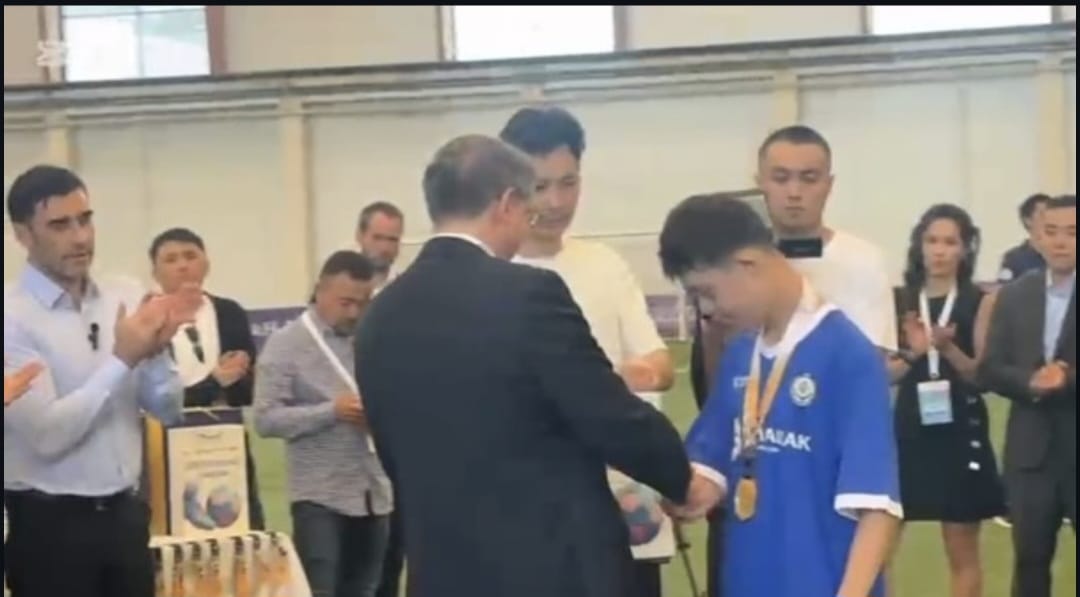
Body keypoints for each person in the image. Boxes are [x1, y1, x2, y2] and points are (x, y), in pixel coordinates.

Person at [354, 135, 698, 597]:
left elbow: (390, 450)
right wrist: (680, 477)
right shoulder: (530, 293)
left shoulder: (379, 315)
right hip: (547, 569)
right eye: (529, 211)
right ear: (508, 204)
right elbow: (607, 413)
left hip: (441, 569)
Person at [659, 194, 902, 597]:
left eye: (707, 292)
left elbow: (877, 507)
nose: (706, 310)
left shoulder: (848, 355)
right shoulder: (741, 353)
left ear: (747, 264)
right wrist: (694, 492)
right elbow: (714, 455)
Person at [501, 106, 676, 597]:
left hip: (621, 503)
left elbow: (661, 365)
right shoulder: (491, 274)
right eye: (540, 186)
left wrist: (610, 384)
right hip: (529, 512)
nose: (556, 202)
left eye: (569, 183)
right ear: (510, 186)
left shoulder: (604, 264)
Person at [3, 164, 194, 597]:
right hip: (49, 531)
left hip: (126, 520)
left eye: (85, 220)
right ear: (23, 234)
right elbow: (48, 435)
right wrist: (123, 360)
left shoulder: (123, 295)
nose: (80, 238)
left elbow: (168, 411)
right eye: (60, 225)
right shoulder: (11, 317)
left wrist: (157, 354)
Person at [254, 250, 391, 597]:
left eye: (362, 303)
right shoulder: (285, 344)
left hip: (373, 491)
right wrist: (332, 411)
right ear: (320, 291)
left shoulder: (373, 340)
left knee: (366, 589)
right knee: (320, 590)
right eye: (346, 303)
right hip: (319, 496)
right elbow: (266, 419)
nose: (354, 312)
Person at [890, 204, 1004, 597]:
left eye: (950, 242)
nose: (939, 251)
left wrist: (948, 348)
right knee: (879, 544)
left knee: (962, 552)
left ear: (965, 248)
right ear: (919, 245)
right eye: (932, 241)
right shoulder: (899, 299)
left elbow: (982, 376)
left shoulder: (980, 300)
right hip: (909, 428)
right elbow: (884, 374)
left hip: (960, 428)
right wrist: (916, 352)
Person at [979, 195, 1076, 597]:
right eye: (1051, 232)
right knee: (1030, 562)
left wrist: (1067, 377)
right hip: (1030, 455)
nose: (1060, 242)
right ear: (1036, 237)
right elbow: (990, 369)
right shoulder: (1015, 295)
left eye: (1072, 233)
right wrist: (1030, 382)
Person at [149, 227, 266, 530]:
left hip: (227, 443)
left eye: (190, 256)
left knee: (241, 528)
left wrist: (241, 375)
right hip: (170, 443)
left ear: (206, 263)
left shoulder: (230, 313)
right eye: (171, 259)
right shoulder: (147, 319)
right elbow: (156, 399)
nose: (182, 265)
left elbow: (246, 392)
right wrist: (213, 382)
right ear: (155, 271)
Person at [756, 125, 898, 352]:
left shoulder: (865, 261)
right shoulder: (740, 263)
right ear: (760, 183)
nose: (794, 192)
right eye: (781, 179)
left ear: (828, 185)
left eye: (809, 179)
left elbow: (873, 359)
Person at [997, 193, 1050, 284]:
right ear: (1028, 220)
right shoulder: (1014, 258)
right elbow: (1004, 287)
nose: (1050, 219)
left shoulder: (1063, 253)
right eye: (1043, 214)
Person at [355, 201, 405, 290]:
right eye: (377, 238)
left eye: (392, 239)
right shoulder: (339, 285)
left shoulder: (407, 287)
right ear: (360, 236)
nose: (384, 248)